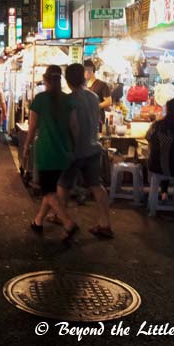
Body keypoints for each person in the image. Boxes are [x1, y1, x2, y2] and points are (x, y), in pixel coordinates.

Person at [53, 63, 113, 237]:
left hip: (75, 150)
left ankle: (61, 217)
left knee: (63, 185)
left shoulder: (68, 100)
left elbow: (71, 127)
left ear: (67, 79)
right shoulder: (94, 97)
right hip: (93, 148)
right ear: (83, 77)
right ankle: (105, 223)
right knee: (96, 185)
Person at [24, 66, 79, 242]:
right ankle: (38, 221)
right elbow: (74, 127)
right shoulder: (68, 100)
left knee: (48, 192)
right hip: (64, 151)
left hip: (46, 151)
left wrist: (26, 146)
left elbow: (32, 127)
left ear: (46, 80)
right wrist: (74, 148)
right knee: (51, 190)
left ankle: (68, 223)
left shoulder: (40, 99)